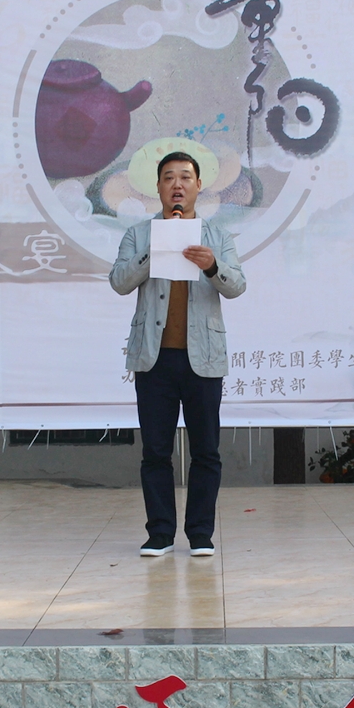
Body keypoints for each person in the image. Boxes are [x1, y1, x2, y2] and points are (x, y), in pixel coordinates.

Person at [110, 150, 246, 557]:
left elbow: (237, 286)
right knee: (155, 451)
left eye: (185, 177)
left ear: (199, 186)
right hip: (154, 359)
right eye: (168, 177)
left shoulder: (217, 236)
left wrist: (212, 265)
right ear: (158, 187)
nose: (177, 185)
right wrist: (154, 249)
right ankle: (160, 533)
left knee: (206, 451)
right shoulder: (139, 234)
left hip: (203, 358)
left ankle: (201, 533)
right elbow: (119, 281)